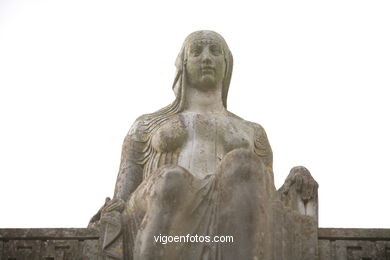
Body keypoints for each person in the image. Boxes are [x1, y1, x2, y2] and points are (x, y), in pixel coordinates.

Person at [90, 30, 305, 260]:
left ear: (227, 63)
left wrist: (296, 183)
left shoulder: (253, 132)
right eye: (197, 51)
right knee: (173, 179)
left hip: (230, 217)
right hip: (160, 204)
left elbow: (263, 200)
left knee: (242, 162)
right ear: (183, 63)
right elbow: (122, 195)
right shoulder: (146, 125)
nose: (206, 58)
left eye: (214, 51)